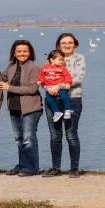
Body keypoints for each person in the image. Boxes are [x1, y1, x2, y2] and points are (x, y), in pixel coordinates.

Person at [0, 40, 43, 177]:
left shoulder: (34, 67)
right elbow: (0, 78)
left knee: (29, 138)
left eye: (25, 51)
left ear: (30, 52)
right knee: (19, 138)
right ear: (14, 53)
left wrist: (9, 88)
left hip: (31, 108)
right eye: (19, 51)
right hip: (14, 107)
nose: (22, 53)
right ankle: (22, 165)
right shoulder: (11, 66)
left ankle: (31, 168)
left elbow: (33, 88)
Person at [42, 33, 86, 178]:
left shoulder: (79, 59)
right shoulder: (51, 59)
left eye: (70, 42)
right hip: (52, 100)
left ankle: (74, 168)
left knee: (71, 134)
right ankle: (56, 167)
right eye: (63, 43)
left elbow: (78, 78)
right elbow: (44, 78)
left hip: (72, 99)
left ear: (75, 44)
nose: (67, 45)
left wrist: (58, 86)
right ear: (58, 45)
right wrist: (48, 88)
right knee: (55, 135)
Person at [38, 50, 73, 123]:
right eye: (60, 60)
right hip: (49, 88)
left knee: (64, 97)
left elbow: (67, 76)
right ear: (51, 60)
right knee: (49, 100)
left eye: (63, 60)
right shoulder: (45, 67)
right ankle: (57, 112)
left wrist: (68, 83)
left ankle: (67, 110)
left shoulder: (62, 68)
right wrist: (40, 81)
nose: (62, 61)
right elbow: (41, 75)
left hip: (61, 87)